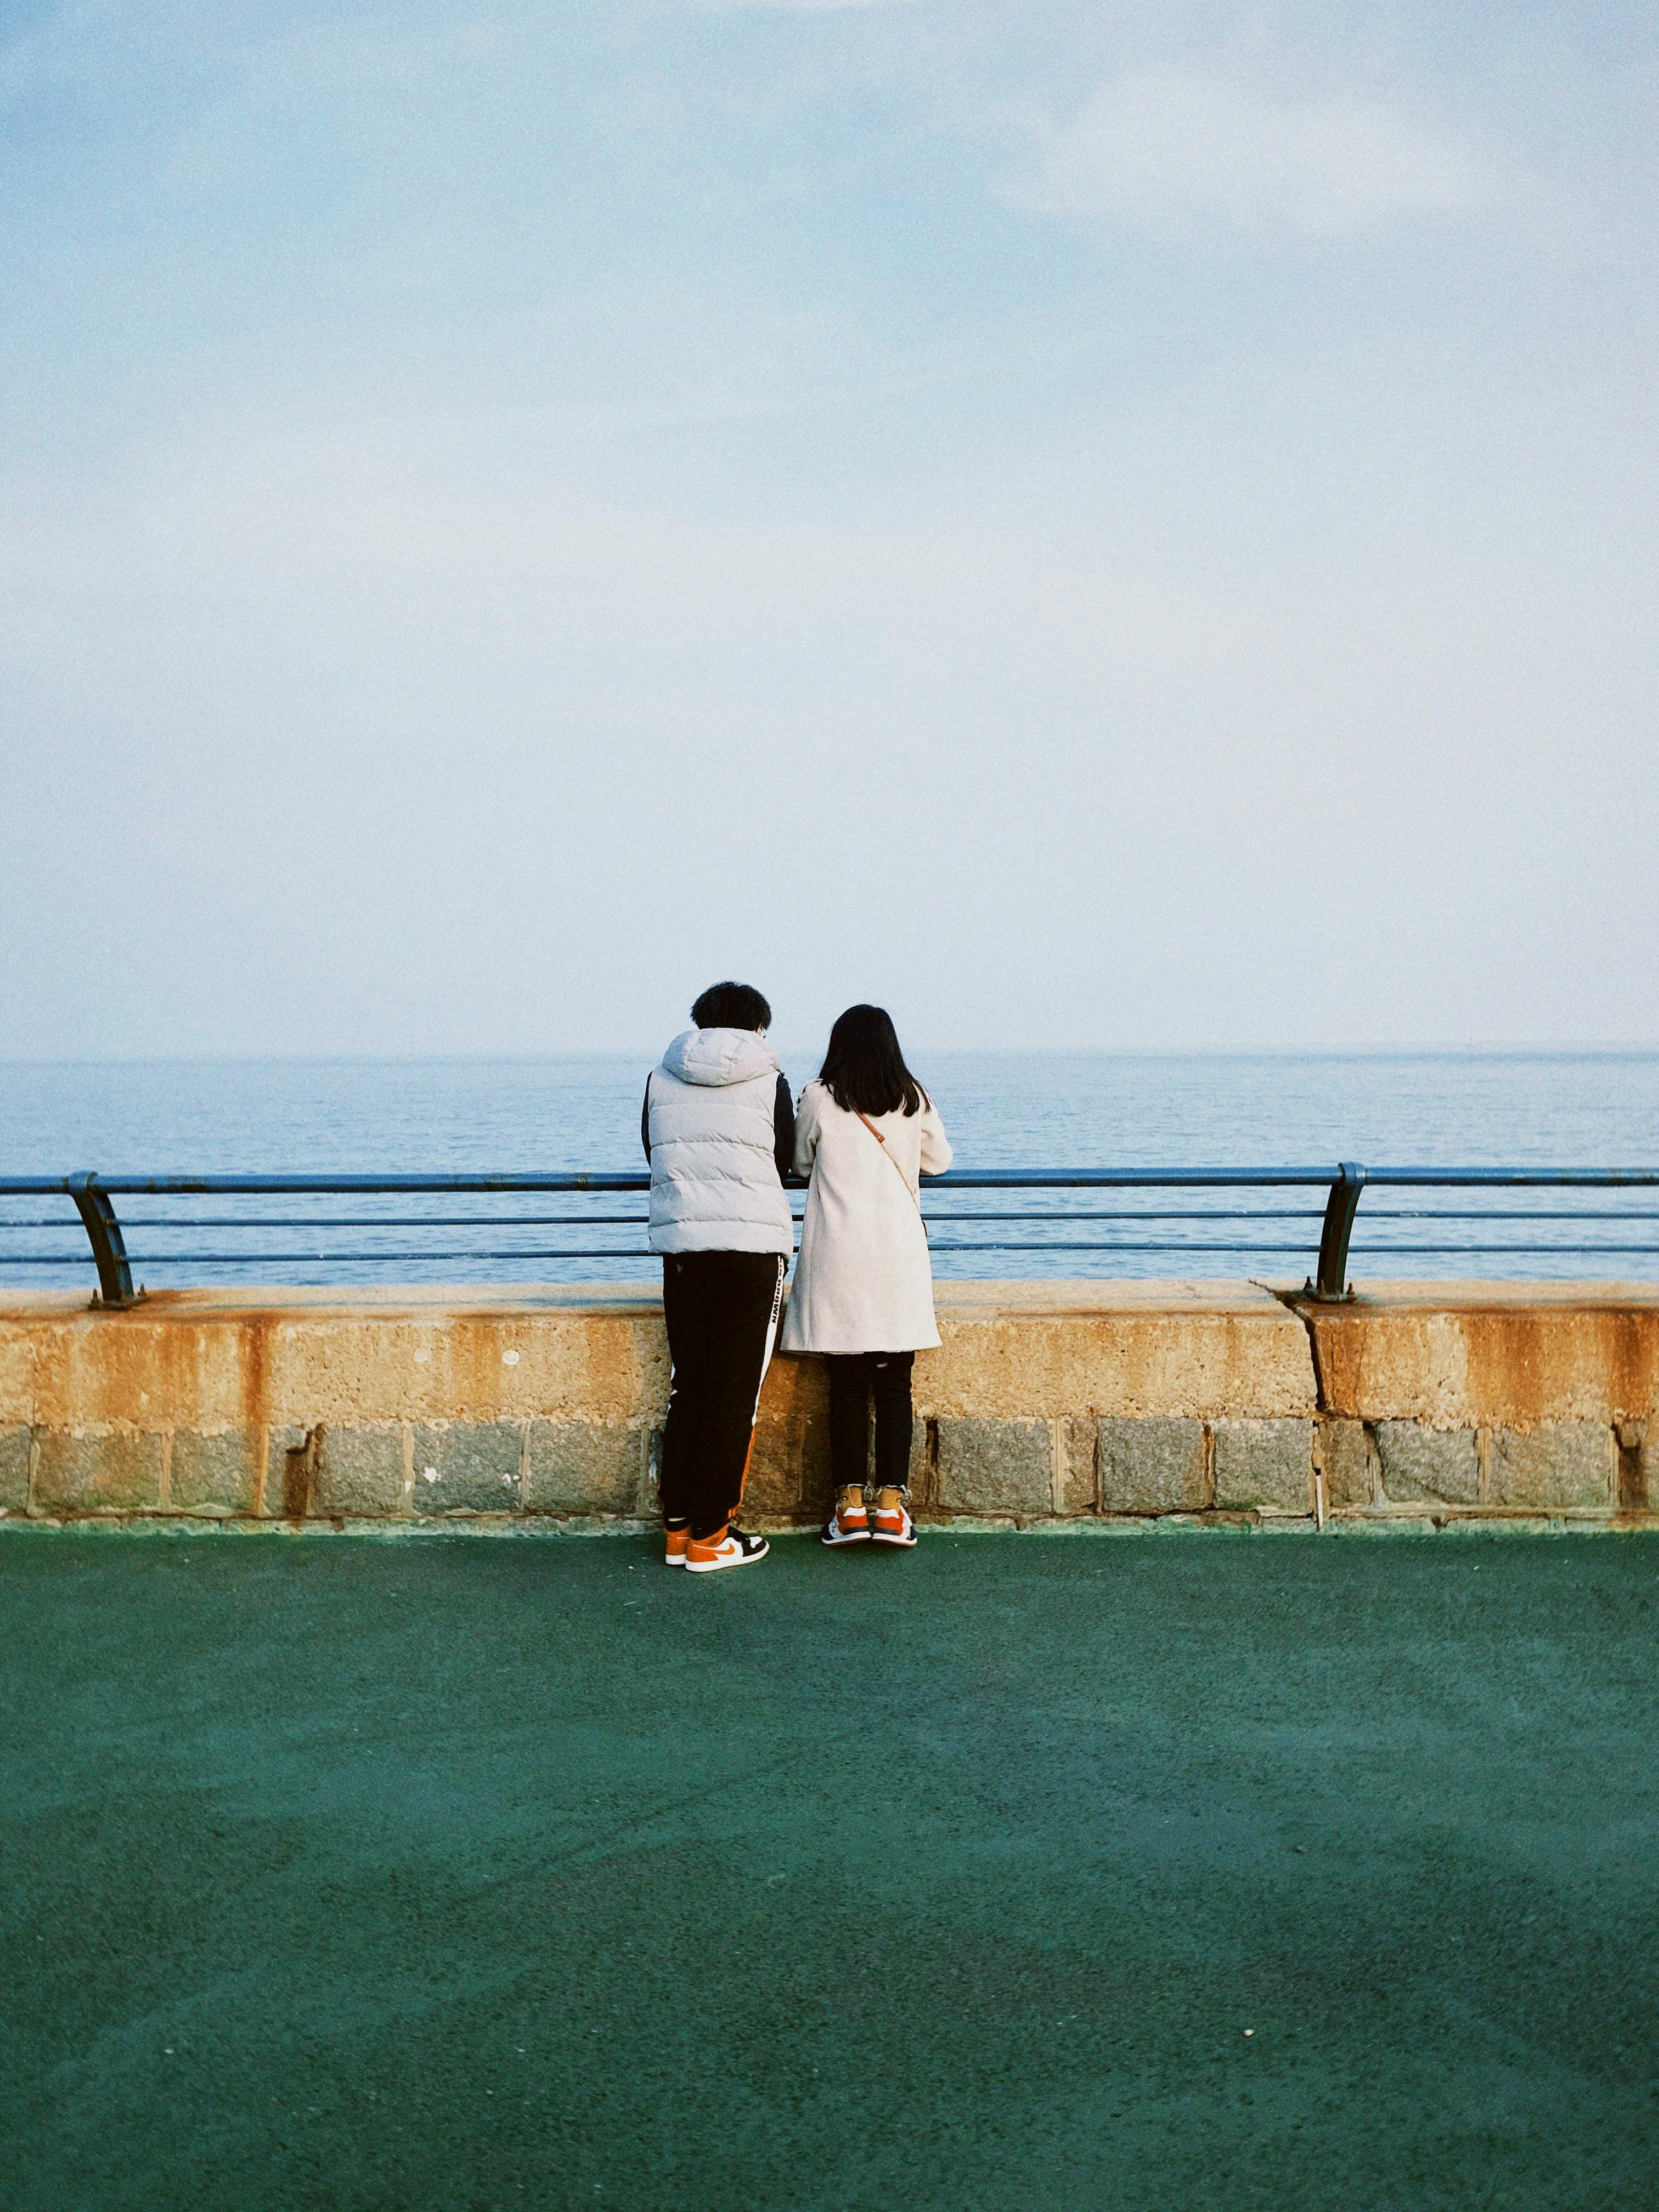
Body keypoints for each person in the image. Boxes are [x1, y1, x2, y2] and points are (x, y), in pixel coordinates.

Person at [780, 1005, 952, 1549]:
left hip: (839, 1255)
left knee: (847, 1385)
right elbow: (939, 1161)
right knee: (895, 1384)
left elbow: (801, 1162)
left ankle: (850, 1509)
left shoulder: (818, 1095)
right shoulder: (912, 1095)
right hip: (897, 1255)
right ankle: (893, 1508)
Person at [642, 982, 795, 1573]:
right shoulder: (769, 1077)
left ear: (701, 1024)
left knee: (690, 1385)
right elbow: (782, 1160)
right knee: (736, 1394)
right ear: (758, 1027)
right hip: (751, 1247)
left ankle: (679, 1528)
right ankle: (713, 1535)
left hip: (682, 1245)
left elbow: (652, 1148)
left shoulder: (661, 1076)